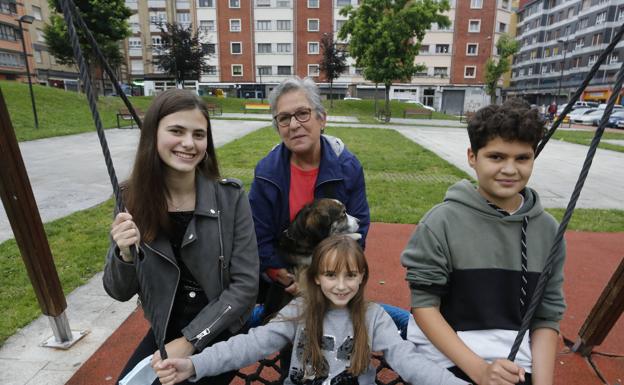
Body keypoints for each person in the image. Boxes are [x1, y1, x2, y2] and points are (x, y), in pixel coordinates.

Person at [153, 236, 469, 385]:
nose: (342, 285)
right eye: (331, 276)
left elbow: (408, 360)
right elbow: (250, 344)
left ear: (362, 277)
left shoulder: (373, 317)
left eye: (351, 275)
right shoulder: (301, 311)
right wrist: (194, 365)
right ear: (317, 278)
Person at [401, 99, 566, 385]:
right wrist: (479, 371)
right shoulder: (440, 223)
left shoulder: (548, 230)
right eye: (497, 157)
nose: (510, 169)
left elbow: (546, 317)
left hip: (516, 364)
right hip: (444, 359)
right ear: (472, 157)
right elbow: (424, 307)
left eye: (522, 158)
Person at [103, 88, 259, 385]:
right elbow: (118, 291)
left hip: (218, 327)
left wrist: (190, 340)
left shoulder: (230, 198)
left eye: (199, 135)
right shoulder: (131, 198)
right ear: (154, 135)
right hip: (165, 331)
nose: (189, 143)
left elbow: (246, 285)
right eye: (177, 131)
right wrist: (123, 254)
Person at [248, 76, 370, 311]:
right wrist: (280, 273)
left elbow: (359, 228)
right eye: (284, 118)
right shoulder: (267, 172)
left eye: (302, 113)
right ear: (278, 127)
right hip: (284, 280)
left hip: (335, 276)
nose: (294, 125)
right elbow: (257, 234)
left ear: (321, 119)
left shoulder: (348, 167)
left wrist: (328, 277)